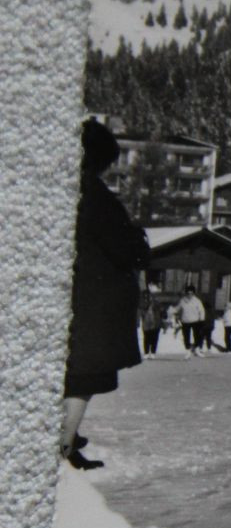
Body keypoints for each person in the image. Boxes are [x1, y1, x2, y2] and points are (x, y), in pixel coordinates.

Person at [60, 119, 151, 470]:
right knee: (85, 375)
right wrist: (138, 242)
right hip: (94, 304)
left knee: (73, 374)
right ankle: (65, 440)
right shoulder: (96, 196)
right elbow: (126, 250)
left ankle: (65, 435)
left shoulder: (63, 190)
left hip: (78, 295)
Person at [177, 286, 207, 357]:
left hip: (195, 321)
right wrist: (171, 311)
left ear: (193, 293)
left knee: (197, 336)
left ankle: (197, 349)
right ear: (186, 293)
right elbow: (177, 308)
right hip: (185, 321)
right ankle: (188, 350)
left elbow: (201, 310)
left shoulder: (197, 301)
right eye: (188, 293)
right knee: (186, 336)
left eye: (191, 293)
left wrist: (202, 319)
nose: (189, 295)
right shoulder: (183, 300)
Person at [138, 285, 162, 357]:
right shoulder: (142, 303)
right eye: (145, 296)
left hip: (156, 322)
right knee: (147, 337)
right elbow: (141, 309)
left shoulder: (157, 302)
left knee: (154, 337)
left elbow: (161, 311)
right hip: (146, 322)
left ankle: (153, 352)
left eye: (148, 295)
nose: (147, 297)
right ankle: (146, 352)